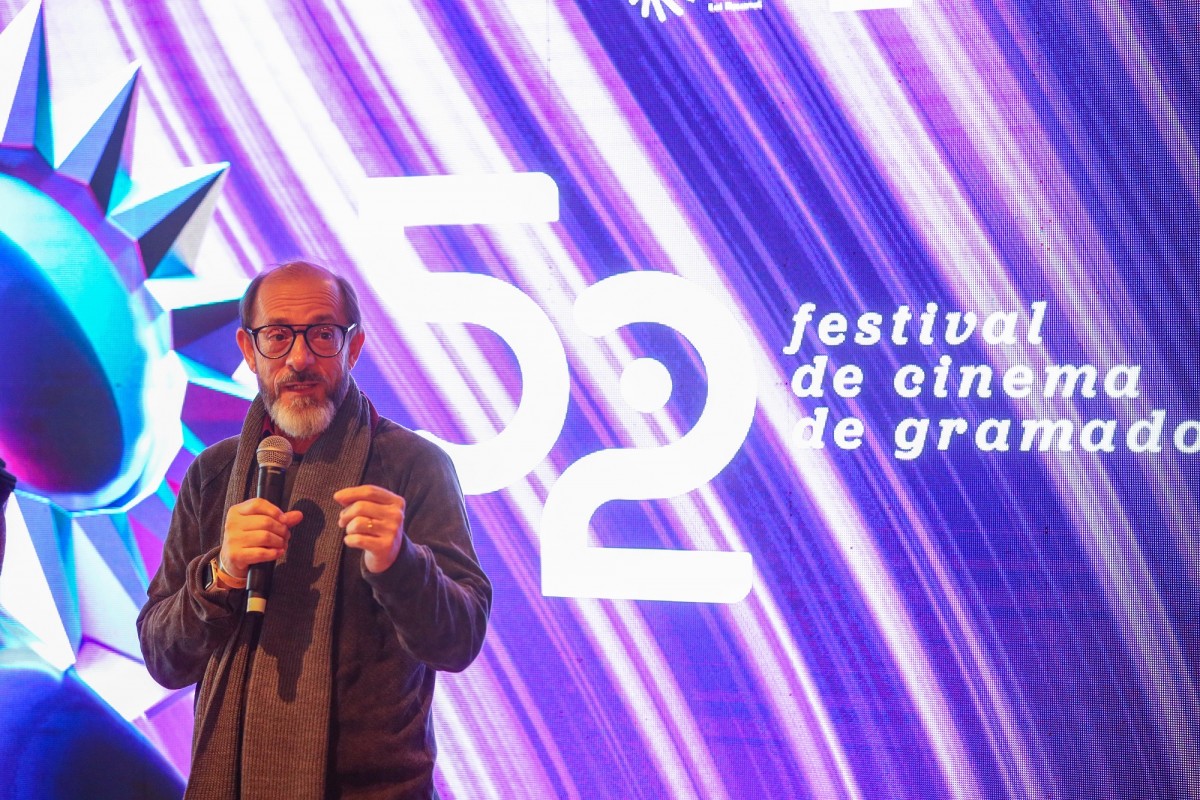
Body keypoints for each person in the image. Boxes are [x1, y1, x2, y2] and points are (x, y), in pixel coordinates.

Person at [137, 261, 491, 800]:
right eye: (277, 336)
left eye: (322, 335)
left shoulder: (413, 465)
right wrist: (220, 576)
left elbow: (459, 642)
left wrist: (401, 565)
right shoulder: (213, 474)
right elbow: (164, 658)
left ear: (353, 347)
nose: (299, 358)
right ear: (248, 349)